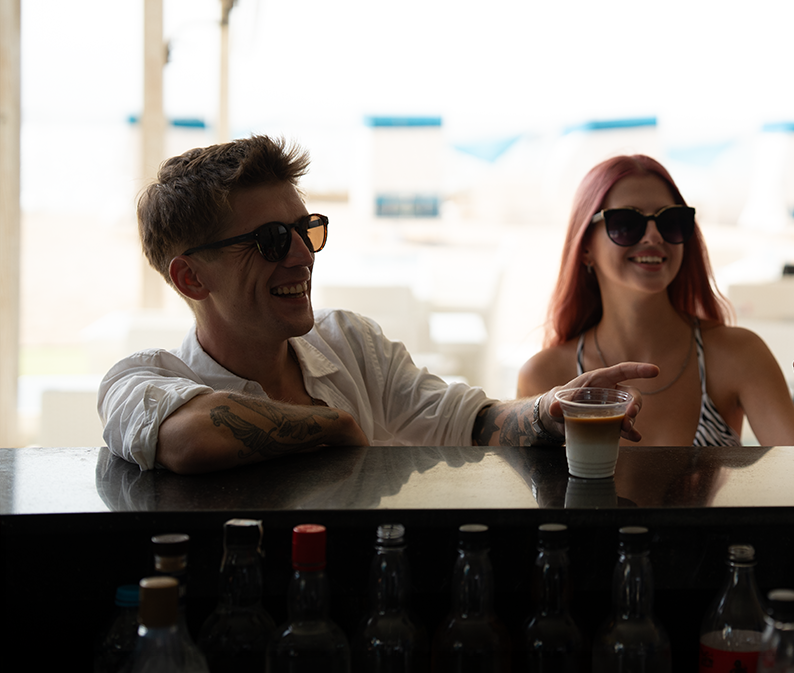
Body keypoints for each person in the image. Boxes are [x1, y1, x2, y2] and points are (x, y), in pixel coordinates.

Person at [99, 136, 653, 474]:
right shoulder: (139, 381)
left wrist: (546, 410)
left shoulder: (349, 343)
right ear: (191, 277)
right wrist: (333, 425)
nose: (302, 256)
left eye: (306, 230)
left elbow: (467, 421)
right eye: (271, 240)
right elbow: (190, 437)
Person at [516, 154, 794, 446]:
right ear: (585, 248)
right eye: (626, 223)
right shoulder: (545, 376)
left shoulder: (738, 355)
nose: (653, 235)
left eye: (671, 221)